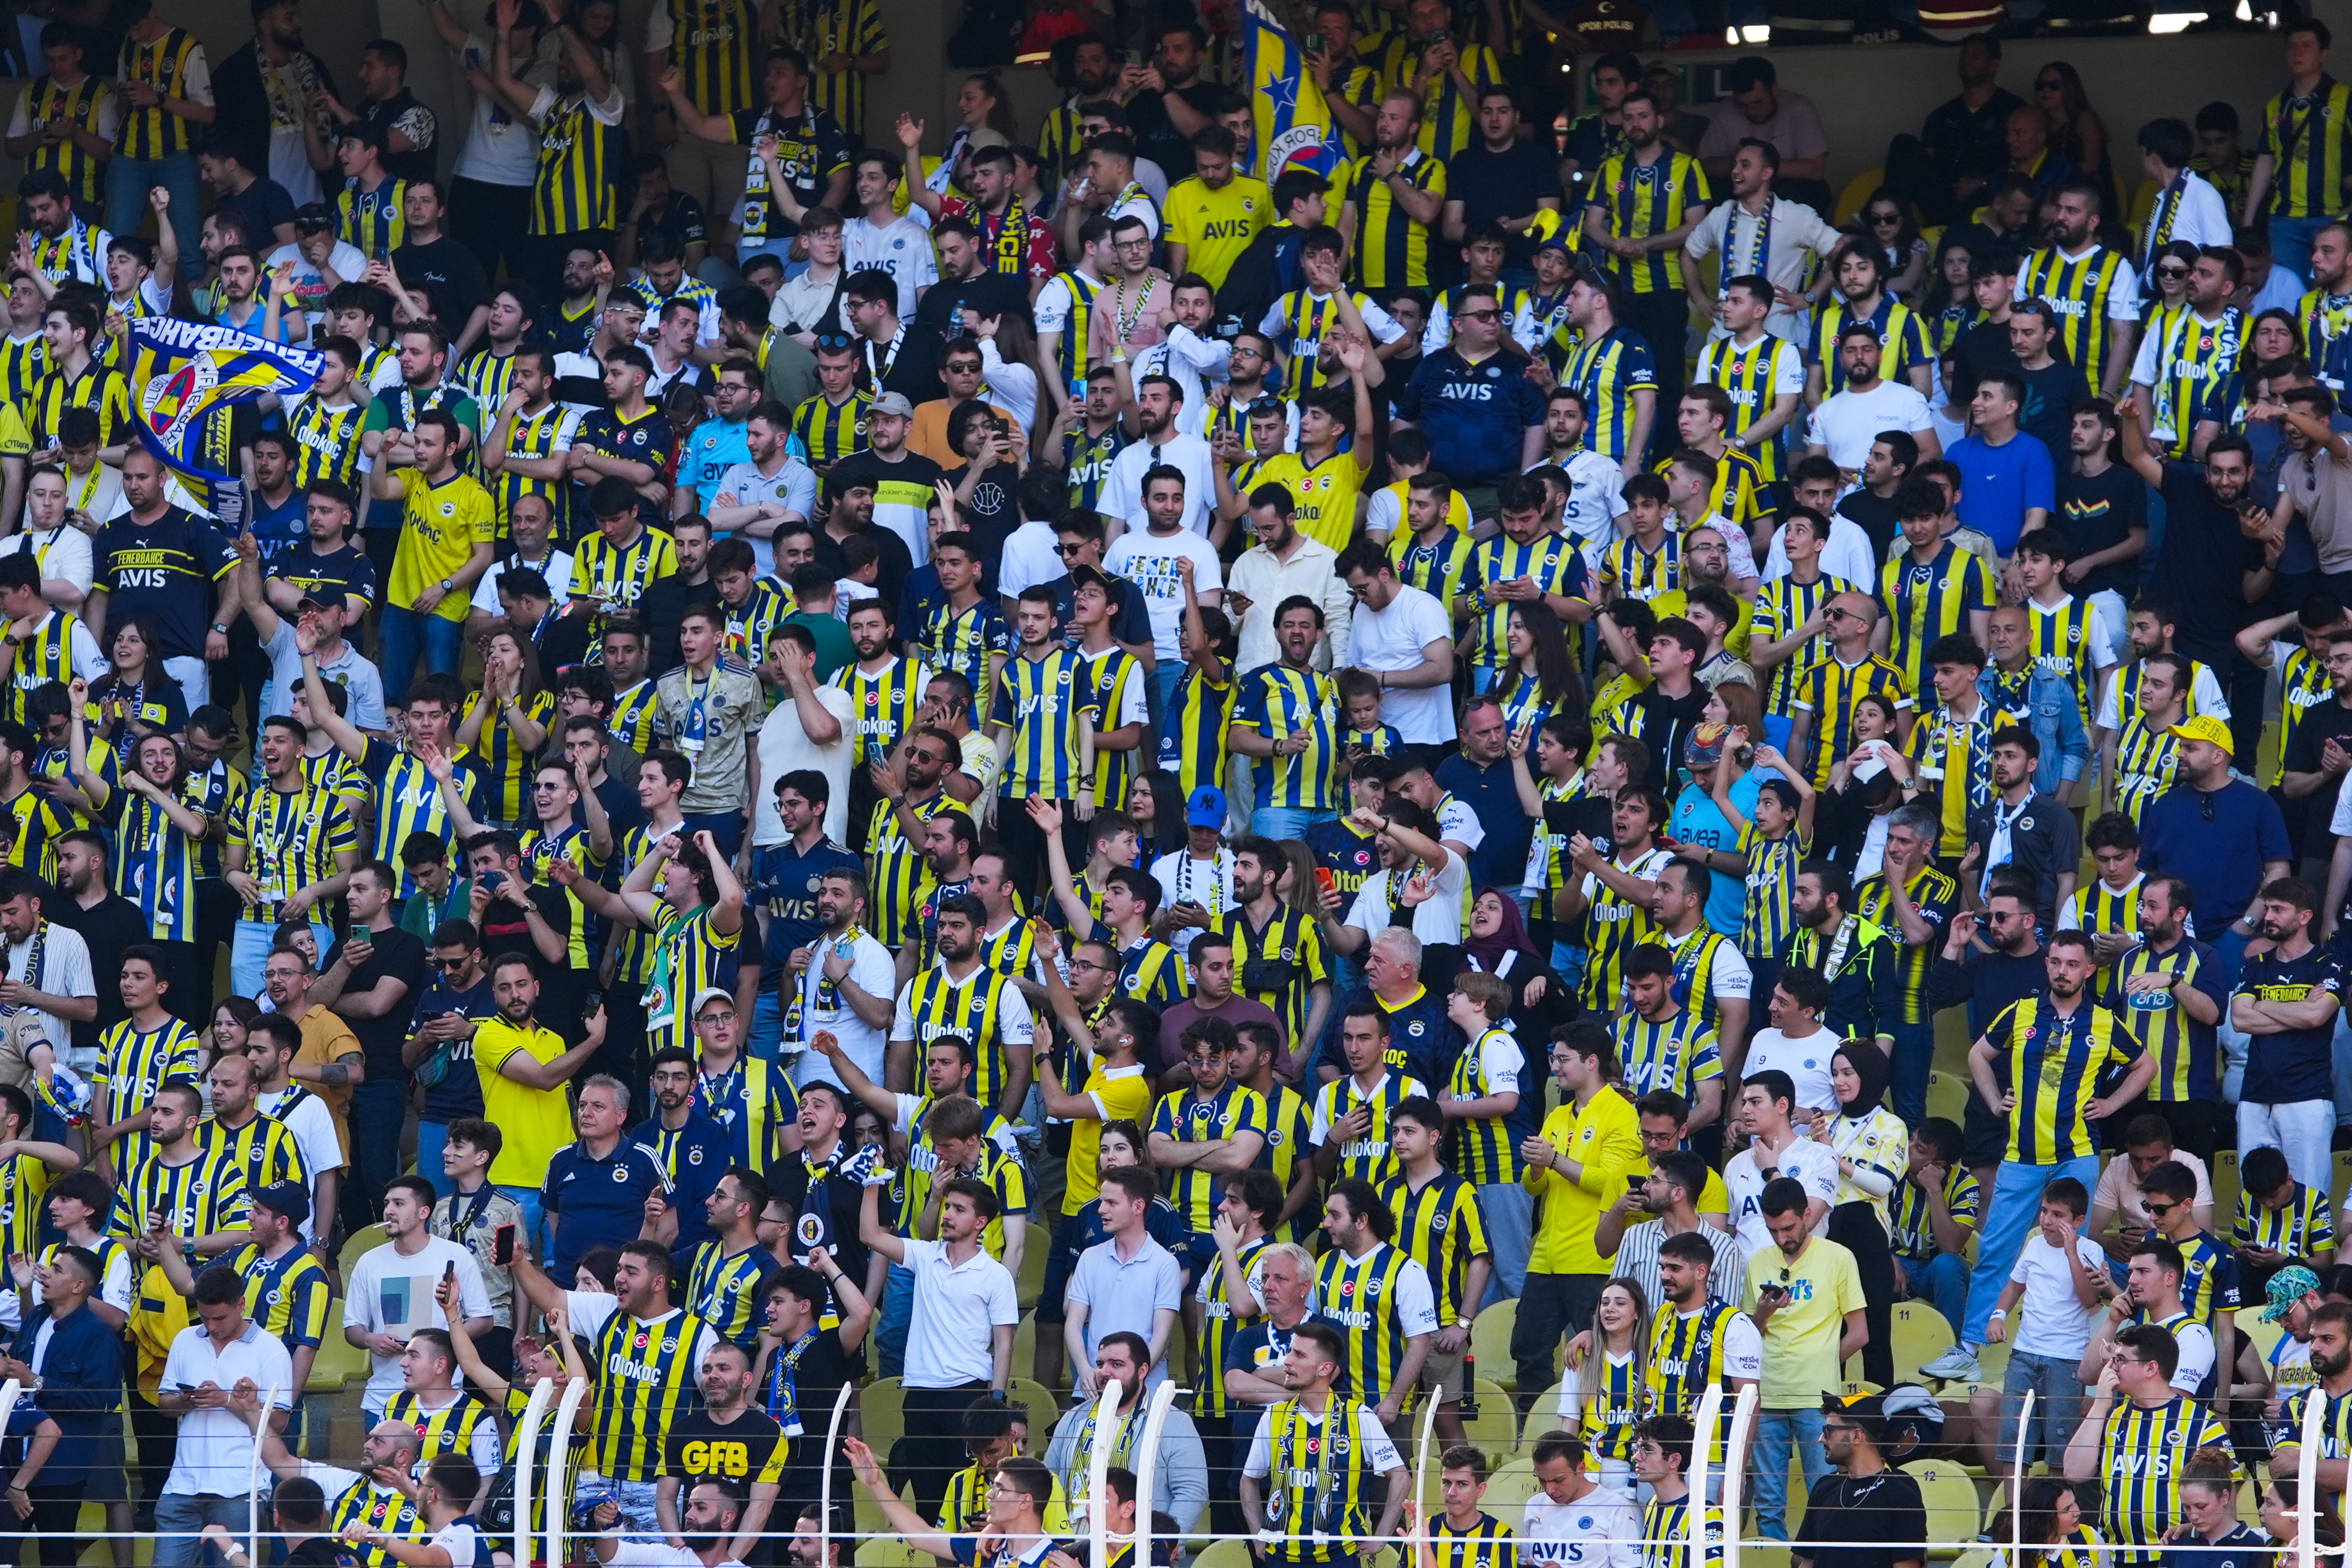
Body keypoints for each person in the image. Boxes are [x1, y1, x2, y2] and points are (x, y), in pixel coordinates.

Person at [2063, 1322, 2232, 1561]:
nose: (2111, 1366)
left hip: (2177, 1556)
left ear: (2151, 1368)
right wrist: (2100, 1404)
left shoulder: (2201, 1421)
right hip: (2117, 1556)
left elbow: (2227, 1493)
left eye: (2121, 1359)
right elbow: (2074, 1472)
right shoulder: (2112, 1416)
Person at [1795, 1394, 1928, 1568]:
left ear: (1857, 1436)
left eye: (1829, 1431)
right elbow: (1807, 1562)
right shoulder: (1824, 1488)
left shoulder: (1901, 1491)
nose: (1821, 1439)